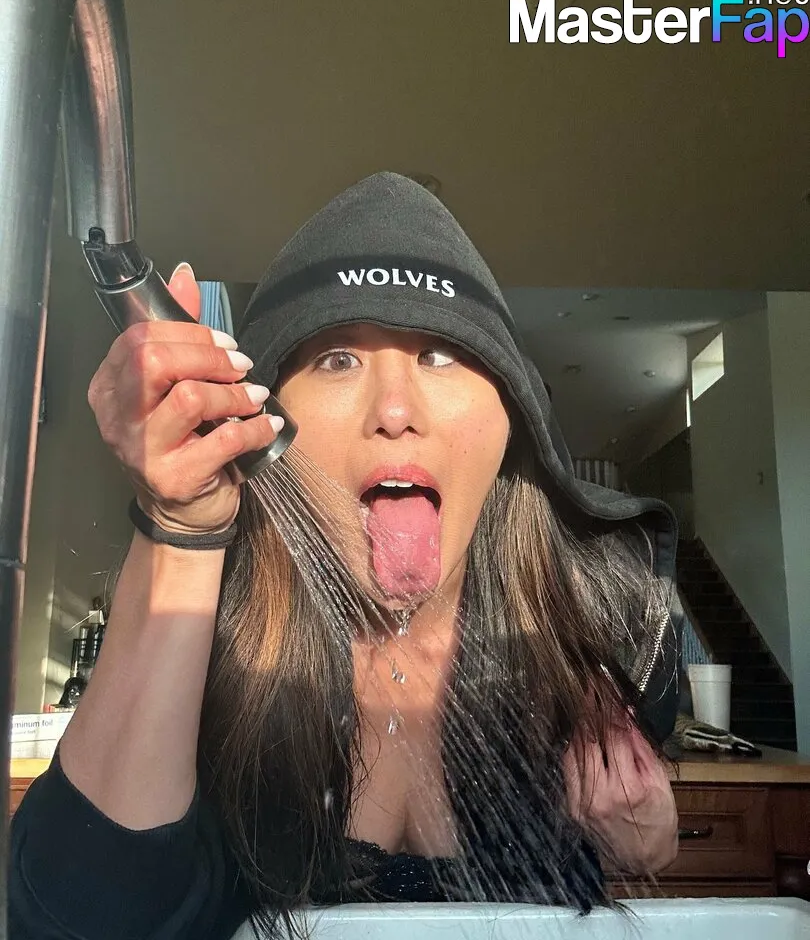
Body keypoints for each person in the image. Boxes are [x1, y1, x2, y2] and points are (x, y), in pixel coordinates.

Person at [10, 173, 680, 940]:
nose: (394, 411)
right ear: (264, 421)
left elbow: (629, 861)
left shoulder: (600, 628)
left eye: (441, 354)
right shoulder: (210, 641)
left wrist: (640, 843)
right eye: (336, 359)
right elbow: (81, 920)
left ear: (511, 415)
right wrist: (181, 527)